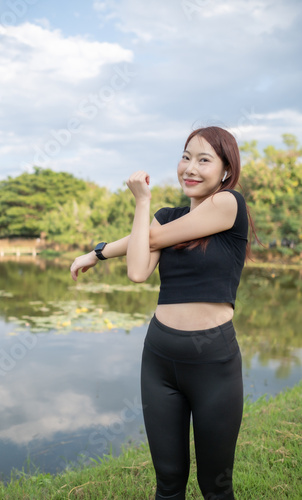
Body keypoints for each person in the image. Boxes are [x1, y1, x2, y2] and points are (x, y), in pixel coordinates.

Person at [70, 126, 254, 499]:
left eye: (204, 160)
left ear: (226, 171)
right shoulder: (164, 215)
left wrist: (97, 252)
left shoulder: (229, 204)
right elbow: (138, 272)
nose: (191, 167)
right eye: (186, 157)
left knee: (215, 485)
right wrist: (142, 205)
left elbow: (152, 239)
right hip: (159, 358)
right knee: (168, 481)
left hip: (212, 361)